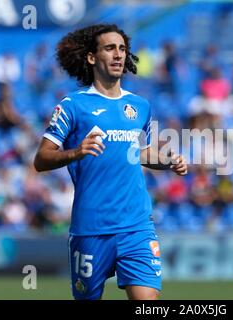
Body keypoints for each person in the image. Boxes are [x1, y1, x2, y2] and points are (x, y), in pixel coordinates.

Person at [33, 24, 188, 300]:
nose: (118, 55)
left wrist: (167, 160)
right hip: (91, 228)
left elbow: (139, 152)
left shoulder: (140, 106)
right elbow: (41, 159)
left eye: (122, 49)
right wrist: (76, 152)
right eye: (109, 48)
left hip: (136, 225)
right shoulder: (72, 105)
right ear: (92, 57)